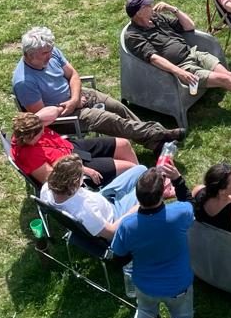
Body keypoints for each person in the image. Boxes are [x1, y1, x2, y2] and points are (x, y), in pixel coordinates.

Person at [12, 26, 183, 150]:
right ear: (30, 55)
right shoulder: (24, 82)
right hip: (64, 117)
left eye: (50, 50)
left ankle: (155, 141)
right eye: (45, 53)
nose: (50, 55)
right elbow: (43, 119)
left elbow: (73, 75)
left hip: (76, 97)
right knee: (109, 119)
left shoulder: (51, 52)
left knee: (117, 108)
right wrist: (72, 105)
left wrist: (75, 98)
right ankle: (159, 134)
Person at [124, 0, 231, 121]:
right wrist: (179, 72)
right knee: (226, 80)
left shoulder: (156, 18)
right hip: (183, 67)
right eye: (147, 5)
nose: (152, 6)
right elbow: (153, 58)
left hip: (194, 53)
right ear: (139, 12)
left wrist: (173, 9)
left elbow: (189, 26)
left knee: (230, 77)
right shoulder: (133, 36)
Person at [112, 167, 195, 318]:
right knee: (182, 317)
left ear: (137, 196)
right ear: (162, 195)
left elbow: (118, 258)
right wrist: (178, 179)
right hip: (178, 286)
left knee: (145, 310)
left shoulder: (128, 225)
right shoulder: (178, 214)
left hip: (145, 285)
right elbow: (191, 203)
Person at [39, 154, 159, 241]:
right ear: (74, 183)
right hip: (115, 215)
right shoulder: (85, 210)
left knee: (141, 169)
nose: (83, 179)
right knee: (148, 189)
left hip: (101, 198)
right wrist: (135, 209)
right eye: (82, 176)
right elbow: (111, 233)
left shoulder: (46, 189)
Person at [10, 111, 138, 186]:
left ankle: (140, 180)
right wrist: (83, 170)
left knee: (123, 144)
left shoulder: (27, 130)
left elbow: (53, 111)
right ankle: (142, 187)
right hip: (73, 167)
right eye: (40, 133)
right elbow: (52, 178)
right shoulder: (29, 155)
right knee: (130, 168)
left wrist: (41, 116)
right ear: (30, 138)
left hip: (70, 147)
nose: (44, 131)